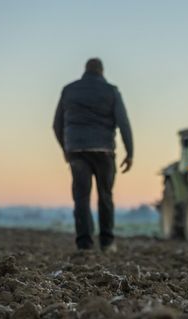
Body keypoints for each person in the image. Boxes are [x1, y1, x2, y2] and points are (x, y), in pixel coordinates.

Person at [53, 58, 133, 252]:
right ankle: (107, 242)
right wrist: (130, 152)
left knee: (81, 197)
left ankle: (84, 243)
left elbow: (57, 124)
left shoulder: (69, 90)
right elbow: (123, 123)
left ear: (85, 70)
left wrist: (65, 148)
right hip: (104, 151)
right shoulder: (111, 91)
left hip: (77, 152)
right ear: (102, 71)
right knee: (105, 196)